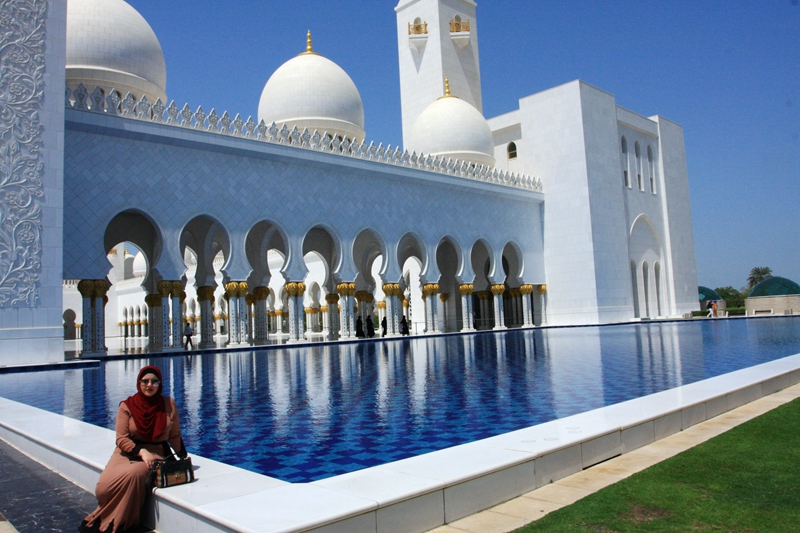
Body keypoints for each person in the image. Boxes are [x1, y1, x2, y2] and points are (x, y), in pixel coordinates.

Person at [80, 366, 186, 533]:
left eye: (154, 381)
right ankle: (106, 515)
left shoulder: (168, 404)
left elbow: (174, 435)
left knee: (134, 474)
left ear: (160, 384)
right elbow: (121, 438)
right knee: (103, 488)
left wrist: (182, 456)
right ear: (139, 383)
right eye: (145, 381)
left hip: (155, 452)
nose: (149, 385)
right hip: (127, 452)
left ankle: (120, 523)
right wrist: (140, 451)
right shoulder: (127, 406)